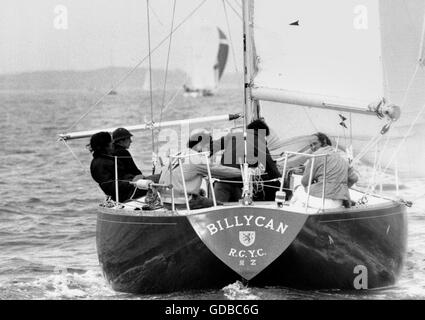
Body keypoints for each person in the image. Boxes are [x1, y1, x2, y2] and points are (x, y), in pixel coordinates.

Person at [159, 129, 242, 210]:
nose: (209, 150)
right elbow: (218, 170)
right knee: (219, 205)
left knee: (203, 198)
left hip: (166, 201)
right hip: (183, 202)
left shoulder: (178, 154)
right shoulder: (196, 158)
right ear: (199, 145)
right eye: (208, 146)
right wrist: (242, 172)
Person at [211, 119, 281, 202]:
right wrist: (279, 182)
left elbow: (212, 147)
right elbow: (270, 167)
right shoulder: (259, 141)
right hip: (240, 183)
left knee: (219, 209)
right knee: (240, 210)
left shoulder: (232, 136)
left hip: (222, 180)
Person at [292, 132, 359, 209]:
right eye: (311, 145)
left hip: (322, 202)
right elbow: (354, 178)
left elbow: (305, 182)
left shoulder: (316, 155)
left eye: (315, 144)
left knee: (298, 189)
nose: (313, 147)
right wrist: (341, 187)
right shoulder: (341, 158)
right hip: (338, 203)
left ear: (324, 141)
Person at [89, 131, 149, 203]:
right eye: (111, 142)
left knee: (156, 179)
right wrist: (133, 182)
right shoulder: (99, 163)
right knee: (156, 181)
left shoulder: (106, 159)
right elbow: (110, 185)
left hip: (127, 189)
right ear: (105, 145)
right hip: (125, 195)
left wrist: (134, 179)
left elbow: (121, 177)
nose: (113, 144)